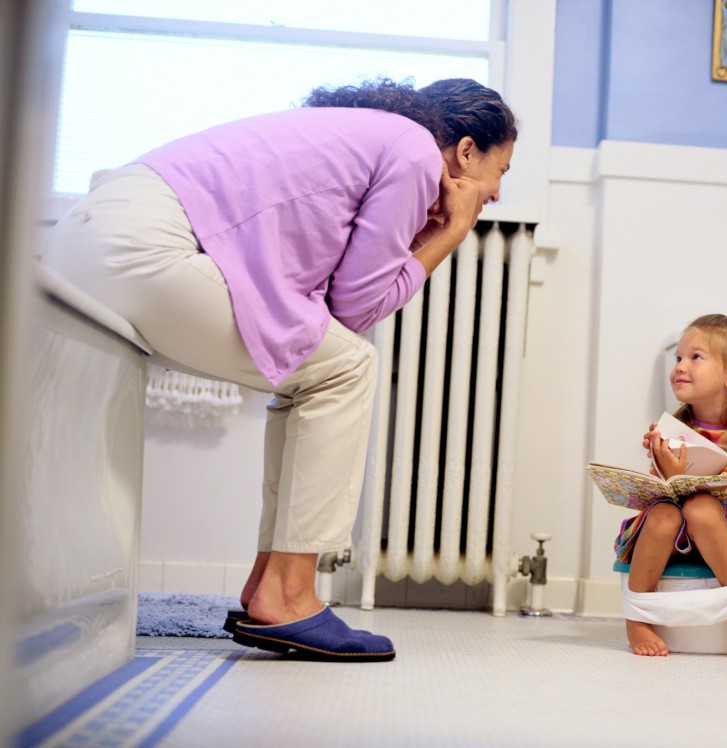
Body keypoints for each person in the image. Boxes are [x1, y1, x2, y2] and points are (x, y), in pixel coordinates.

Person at [42, 77, 518, 661]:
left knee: (315, 373)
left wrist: (424, 232)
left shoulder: (372, 138)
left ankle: (268, 585)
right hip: (141, 248)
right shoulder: (415, 151)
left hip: (89, 242)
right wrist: (452, 231)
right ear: (466, 151)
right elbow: (356, 311)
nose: (495, 192)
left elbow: (335, 305)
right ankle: (289, 594)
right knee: (347, 368)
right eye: (502, 170)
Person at [615, 313, 727, 661]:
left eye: (695, 357)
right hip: (673, 535)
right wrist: (664, 468)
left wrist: (689, 479)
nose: (680, 366)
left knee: (701, 507)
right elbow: (662, 494)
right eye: (679, 357)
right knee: (663, 513)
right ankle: (638, 616)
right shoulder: (673, 428)